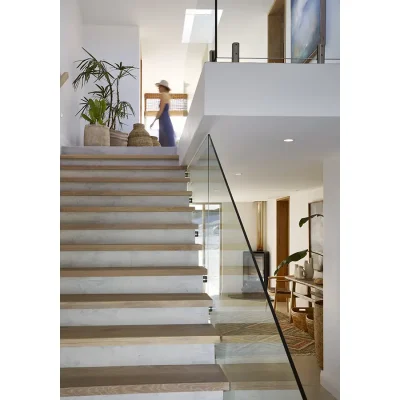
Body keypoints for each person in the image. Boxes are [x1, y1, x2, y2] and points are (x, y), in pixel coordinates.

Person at [150, 80, 176, 147]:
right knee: (167, 138)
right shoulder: (167, 96)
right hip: (166, 119)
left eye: (159, 87)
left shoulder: (163, 95)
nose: (158, 88)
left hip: (163, 119)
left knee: (164, 138)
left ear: (163, 87)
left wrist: (153, 121)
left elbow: (161, 110)